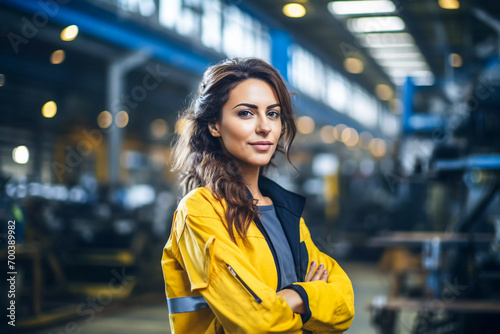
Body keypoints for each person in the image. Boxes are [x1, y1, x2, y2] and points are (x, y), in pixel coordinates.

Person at [161, 57, 354, 333]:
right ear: (215, 125)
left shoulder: (285, 211)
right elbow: (256, 321)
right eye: (246, 113)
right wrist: (310, 297)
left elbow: (344, 307)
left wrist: (292, 298)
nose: (265, 127)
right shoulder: (200, 212)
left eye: (273, 113)